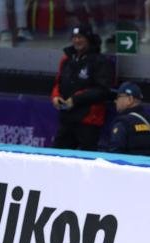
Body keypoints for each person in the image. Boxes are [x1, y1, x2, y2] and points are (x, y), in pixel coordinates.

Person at [51, 23, 114, 151]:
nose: (77, 40)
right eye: (74, 37)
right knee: (57, 154)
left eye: (80, 37)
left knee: (87, 157)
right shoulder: (67, 59)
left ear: (88, 39)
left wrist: (75, 99)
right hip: (67, 117)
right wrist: (56, 97)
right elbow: (58, 82)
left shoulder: (100, 61)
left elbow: (102, 90)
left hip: (88, 120)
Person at [107, 81, 150, 156]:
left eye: (118, 97)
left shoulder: (122, 123)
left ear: (130, 99)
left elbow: (115, 155)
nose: (115, 101)